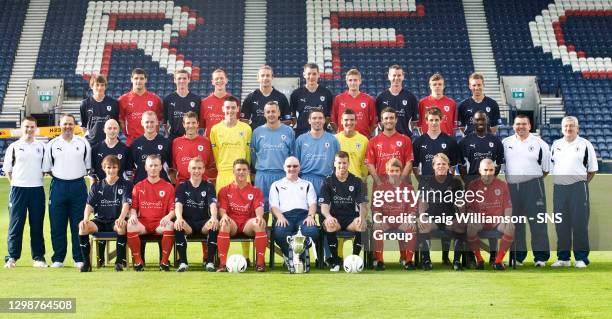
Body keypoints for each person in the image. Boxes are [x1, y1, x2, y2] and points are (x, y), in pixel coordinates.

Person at [43, 113, 92, 269]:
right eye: (65, 124)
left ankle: (79, 258)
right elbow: (47, 168)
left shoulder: (83, 143)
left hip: (78, 185)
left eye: (70, 124)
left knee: (78, 224)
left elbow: (88, 166)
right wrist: (62, 177)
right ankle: (58, 258)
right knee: (57, 223)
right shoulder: (52, 144)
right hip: (58, 186)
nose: (67, 127)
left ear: (75, 125)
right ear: (60, 125)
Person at [503, 114, 551, 267]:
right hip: (512, 188)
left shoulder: (540, 143)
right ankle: (518, 257)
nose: (521, 127)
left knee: (538, 222)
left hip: (533, 186)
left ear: (530, 126)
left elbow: (545, 169)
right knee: (515, 223)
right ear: (513, 126)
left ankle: (541, 258)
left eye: (524, 124)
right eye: (518, 124)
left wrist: (530, 181)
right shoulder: (505, 143)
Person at [550, 116, 598, 268]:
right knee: (561, 224)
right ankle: (563, 258)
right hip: (559, 189)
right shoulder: (556, 144)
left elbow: (591, 170)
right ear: (562, 128)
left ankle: (581, 258)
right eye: (566, 126)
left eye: (572, 126)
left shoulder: (585, 144)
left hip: (578, 188)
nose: (568, 129)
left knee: (579, 224)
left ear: (577, 128)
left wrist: (580, 183)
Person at [3, 117, 48, 269]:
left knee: (37, 225)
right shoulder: (14, 147)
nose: (29, 130)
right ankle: (12, 257)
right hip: (18, 190)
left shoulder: (42, 147)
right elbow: (8, 170)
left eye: (32, 127)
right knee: (16, 225)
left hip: (37, 190)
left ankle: (38, 257)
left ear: (36, 128)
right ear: (22, 128)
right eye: (26, 127)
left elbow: (44, 169)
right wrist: (16, 184)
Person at [78, 155, 132, 272]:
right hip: (100, 221)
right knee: (83, 227)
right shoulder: (96, 186)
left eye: (114, 167)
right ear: (103, 168)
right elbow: (89, 205)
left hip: (115, 220)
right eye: (108, 167)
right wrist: (85, 219)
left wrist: (122, 218)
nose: (111, 170)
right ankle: (86, 263)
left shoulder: (125, 184)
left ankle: (119, 262)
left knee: (121, 225)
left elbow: (126, 204)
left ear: (118, 168)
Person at [216, 159, 268, 272]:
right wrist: (224, 216)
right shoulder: (224, 190)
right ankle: (223, 264)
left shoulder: (256, 190)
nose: (241, 172)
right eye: (238, 169)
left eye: (244, 169)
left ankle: (260, 263)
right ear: (233, 172)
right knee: (224, 223)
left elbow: (259, 207)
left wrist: (259, 217)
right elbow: (222, 209)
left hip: (247, 224)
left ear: (248, 172)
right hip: (232, 223)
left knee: (259, 223)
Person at [269, 156, 319, 272]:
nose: (292, 168)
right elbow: (273, 206)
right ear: (284, 168)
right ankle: (291, 257)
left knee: (312, 231)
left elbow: (312, 203)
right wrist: (280, 217)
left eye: (295, 166)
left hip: (304, 216)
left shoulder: (307, 184)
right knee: (279, 233)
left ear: (299, 168)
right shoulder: (276, 185)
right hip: (284, 216)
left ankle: (299, 257)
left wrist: (311, 216)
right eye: (289, 166)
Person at [126, 154, 176, 271]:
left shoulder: (168, 187)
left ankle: (164, 262)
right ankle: (138, 262)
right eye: (151, 165)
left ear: (160, 168)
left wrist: (168, 217)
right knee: (130, 225)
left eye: (156, 165)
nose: (153, 168)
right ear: (146, 167)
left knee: (170, 225)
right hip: (143, 223)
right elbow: (133, 207)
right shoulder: (138, 186)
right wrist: (133, 215)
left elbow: (173, 210)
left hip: (160, 223)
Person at [417, 153, 466, 271]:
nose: (441, 166)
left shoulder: (456, 181)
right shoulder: (425, 181)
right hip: (433, 218)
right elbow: (422, 201)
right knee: (423, 225)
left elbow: (461, 202)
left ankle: (456, 262)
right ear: (433, 166)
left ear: (449, 166)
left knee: (460, 225)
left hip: (449, 217)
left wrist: (462, 217)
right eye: (438, 164)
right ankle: (426, 260)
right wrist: (421, 216)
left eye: (444, 164)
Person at [320, 151, 367, 272]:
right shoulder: (327, 181)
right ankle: (335, 261)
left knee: (361, 224)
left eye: (344, 163)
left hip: (350, 218)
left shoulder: (356, 181)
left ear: (348, 164)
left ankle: (355, 259)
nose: (342, 166)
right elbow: (324, 206)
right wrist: (328, 216)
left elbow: (362, 204)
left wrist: (361, 217)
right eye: (339, 163)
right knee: (329, 225)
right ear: (335, 163)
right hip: (335, 218)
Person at [465, 159, 514, 270]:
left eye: (491, 170)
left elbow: (508, 206)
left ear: (494, 170)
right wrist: (473, 219)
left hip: (496, 220)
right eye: (485, 170)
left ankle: (498, 261)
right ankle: (479, 259)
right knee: (470, 227)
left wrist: (508, 219)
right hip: (480, 220)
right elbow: (470, 208)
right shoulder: (473, 185)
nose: (488, 173)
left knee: (510, 227)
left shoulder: (502, 185)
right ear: (480, 171)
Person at [371, 158, 418, 271]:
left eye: (397, 171)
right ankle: (380, 261)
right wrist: (378, 221)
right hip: (386, 221)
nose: (394, 173)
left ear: (400, 172)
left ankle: (408, 261)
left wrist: (409, 220)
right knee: (377, 229)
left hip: (402, 220)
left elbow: (412, 209)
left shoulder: (409, 188)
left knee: (411, 228)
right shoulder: (380, 189)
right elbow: (376, 210)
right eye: (391, 171)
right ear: (387, 171)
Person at [174, 157, 219, 272]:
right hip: (188, 223)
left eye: (199, 168)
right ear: (189, 169)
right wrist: (179, 218)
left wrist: (214, 217)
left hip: (203, 222)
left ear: (204, 170)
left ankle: (209, 262)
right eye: (194, 168)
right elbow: (178, 205)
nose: (196, 171)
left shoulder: (209, 186)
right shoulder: (182, 186)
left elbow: (212, 204)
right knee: (178, 224)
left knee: (213, 224)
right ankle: (183, 262)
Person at [251, 101, 295, 211]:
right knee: (262, 207)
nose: (271, 114)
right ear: (264, 114)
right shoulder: (257, 132)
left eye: (273, 111)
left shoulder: (289, 131)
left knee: (283, 206)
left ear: (279, 113)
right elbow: (253, 155)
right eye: (268, 112)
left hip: (282, 174)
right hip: (262, 175)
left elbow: (292, 155)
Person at [210, 96, 252, 193]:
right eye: (227, 107)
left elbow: (248, 152)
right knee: (222, 207)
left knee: (243, 207)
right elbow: (215, 153)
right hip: (223, 173)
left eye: (233, 107)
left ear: (238, 109)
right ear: (223, 109)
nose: (230, 110)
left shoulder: (246, 129)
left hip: (242, 173)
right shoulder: (215, 130)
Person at [295, 108, 340, 196]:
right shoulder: (301, 139)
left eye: (320, 118)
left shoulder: (333, 140)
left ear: (324, 120)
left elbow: (337, 164)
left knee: (325, 209)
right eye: (314, 118)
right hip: (305, 180)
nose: (317, 120)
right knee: (306, 209)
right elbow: (296, 163)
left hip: (326, 181)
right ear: (309, 120)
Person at [365, 107, 413, 185]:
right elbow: (370, 164)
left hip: (400, 185)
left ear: (396, 120)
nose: (389, 121)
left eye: (391, 118)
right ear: (382, 121)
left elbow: (409, 163)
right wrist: (378, 182)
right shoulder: (373, 141)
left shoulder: (405, 140)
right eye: (386, 118)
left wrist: (400, 181)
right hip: (381, 186)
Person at [118, 68, 163, 145]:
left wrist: (152, 134)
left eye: (141, 78)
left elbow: (158, 121)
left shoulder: (155, 99)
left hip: (150, 141)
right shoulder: (123, 99)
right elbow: (121, 120)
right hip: (132, 141)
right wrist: (128, 134)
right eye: (136, 78)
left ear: (146, 80)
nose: (138, 81)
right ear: (131, 79)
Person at [412, 107, 460, 178]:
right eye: (431, 120)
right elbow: (415, 167)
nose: (434, 123)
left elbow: (452, 167)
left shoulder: (450, 141)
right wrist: (422, 181)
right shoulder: (418, 142)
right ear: (426, 121)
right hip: (426, 184)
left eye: (436, 120)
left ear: (441, 120)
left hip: (444, 185)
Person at [241, 65, 292, 130]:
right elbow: (244, 120)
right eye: (262, 75)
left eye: (268, 75)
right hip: (256, 135)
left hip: (275, 135)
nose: (265, 78)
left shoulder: (281, 97)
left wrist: (273, 128)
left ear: (272, 77)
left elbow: (287, 120)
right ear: (258, 78)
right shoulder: (250, 97)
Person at [171, 112, 215, 185]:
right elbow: (174, 166)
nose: (191, 126)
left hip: (202, 184)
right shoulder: (176, 142)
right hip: (182, 184)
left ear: (198, 124)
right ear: (183, 124)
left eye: (193, 123)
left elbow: (210, 165)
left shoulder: (206, 142)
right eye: (188, 123)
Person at [290, 63, 333, 136]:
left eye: (314, 74)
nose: (311, 77)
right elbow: (292, 117)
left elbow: (328, 116)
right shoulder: (296, 94)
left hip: (322, 135)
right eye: (309, 74)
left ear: (318, 74)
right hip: (302, 134)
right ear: (304, 75)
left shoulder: (327, 93)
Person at [331, 68, 377, 137]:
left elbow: (373, 122)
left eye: (355, 80)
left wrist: (366, 135)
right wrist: (339, 134)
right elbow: (334, 121)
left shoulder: (369, 99)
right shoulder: (338, 99)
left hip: (363, 139)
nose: (353, 83)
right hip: (343, 139)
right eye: (350, 80)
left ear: (360, 81)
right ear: (346, 82)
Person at [375, 64, 418, 137]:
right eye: (394, 75)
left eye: (399, 75)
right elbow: (379, 122)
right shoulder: (381, 98)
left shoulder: (411, 97)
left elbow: (414, 122)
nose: (396, 78)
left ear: (403, 76)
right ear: (389, 76)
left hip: (405, 139)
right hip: (386, 139)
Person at [130, 111, 172, 183]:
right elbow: (131, 168)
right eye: (147, 122)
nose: (149, 124)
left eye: (152, 122)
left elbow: (170, 166)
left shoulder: (166, 142)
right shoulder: (135, 144)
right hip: (141, 185)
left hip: (161, 186)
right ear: (142, 123)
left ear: (157, 122)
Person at [79, 74, 119, 145]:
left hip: (109, 143)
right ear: (91, 86)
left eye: (102, 85)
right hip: (91, 143)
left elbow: (116, 124)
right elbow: (83, 126)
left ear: (105, 87)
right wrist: (90, 138)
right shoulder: (84, 104)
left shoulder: (114, 103)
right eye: (97, 85)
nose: (100, 88)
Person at [163, 69, 201, 141]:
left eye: (184, 78)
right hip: (173, 138)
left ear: (189, 80)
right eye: (179, 78)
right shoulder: (168, 99)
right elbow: (165, 123)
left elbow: (199, 121)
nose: (182, 81)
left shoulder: (196, 99)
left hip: (191, 138)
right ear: (174, 80)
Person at [335, 108, 369, 180]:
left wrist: (364, 179)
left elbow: (364, 165)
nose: (349, 122)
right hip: (338, 181)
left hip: (356, 180)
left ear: (356, 121)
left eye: (352, 120)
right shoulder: (335, 139)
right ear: (341, 121)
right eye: (346, 120)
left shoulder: (364, 140)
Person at [200, 68, 233, 138]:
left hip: (228, 142)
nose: (219, 80)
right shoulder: (204, 102)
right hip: (210, 142)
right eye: (216, 79)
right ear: (212, 82)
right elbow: (202, 125)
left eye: (221, 78)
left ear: (226, 80)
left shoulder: (233, 101)